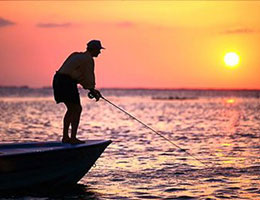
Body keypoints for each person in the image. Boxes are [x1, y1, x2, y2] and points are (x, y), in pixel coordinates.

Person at [52, 40, 104, 144]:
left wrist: (92, 90)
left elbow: (80, 77)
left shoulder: (77, 55)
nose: (99, 52)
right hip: (66, 82)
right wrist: (93, 90)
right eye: (98, 50)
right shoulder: (88, 59)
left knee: (71, 109)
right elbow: (89, 77)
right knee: (77, 108)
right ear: (93, 49)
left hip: (58, 80)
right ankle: (73, 138)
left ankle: (66, 137)